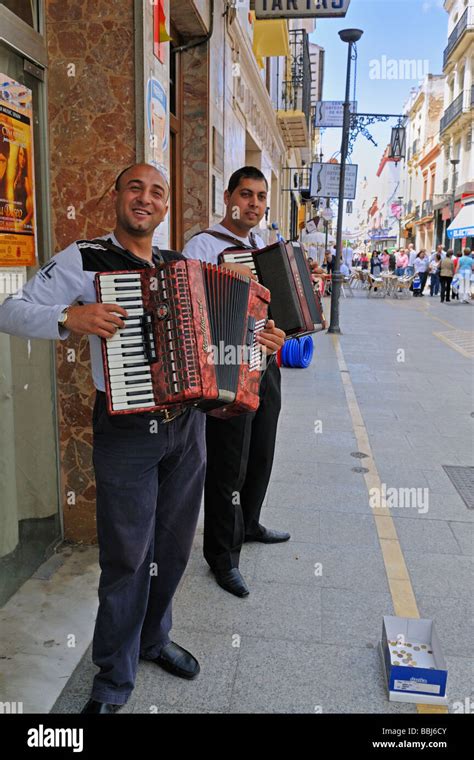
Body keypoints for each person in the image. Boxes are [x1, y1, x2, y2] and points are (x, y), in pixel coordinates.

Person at [0, 162, 285, 713]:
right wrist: (70, 316)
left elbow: (230, 339)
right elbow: (10, 309)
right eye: (135, 187)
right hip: (127, 430)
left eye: (157, 192)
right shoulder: (84, 259)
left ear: (165, 207)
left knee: (174, 548)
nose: (146, 199)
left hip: (188, 428)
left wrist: (260, 341)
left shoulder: (180, 264)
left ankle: (153, 639)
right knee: (128, 557)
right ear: (117, 196)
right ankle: (112, 678)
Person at [182, 166, 288, 599]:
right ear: (228, 197)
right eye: (246, 195)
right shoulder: (204, 245)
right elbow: (189, 305)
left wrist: (280, 331)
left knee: (262, 449)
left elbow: (276, 309)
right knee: (229, 462)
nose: (254, 204)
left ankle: (250, 522)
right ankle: (221, 556)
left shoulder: (261, 246)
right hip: (226, 366)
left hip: (263, 362)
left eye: (261, 197)